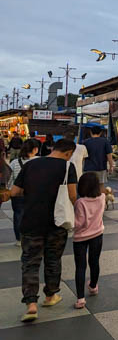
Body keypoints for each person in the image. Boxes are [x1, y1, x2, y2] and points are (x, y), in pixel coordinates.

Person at [10, 138, 77, 323]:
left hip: (31, 221)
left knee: (30, 262)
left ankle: (31, 304)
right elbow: (72, 195)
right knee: (53, 259)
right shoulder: (67, 167)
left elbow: (15, 192)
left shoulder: (31, 165)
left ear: (52, 148)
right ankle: (50, 296)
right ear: (69, 152)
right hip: (56, 222)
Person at [72, 172, 105, 309]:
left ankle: (80, 299)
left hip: (80, 238)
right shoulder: (102, 197)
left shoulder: (80, 202)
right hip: (97, 234)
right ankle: (93, 286)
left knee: (80, 266)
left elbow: (79, 223)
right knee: (94, 261)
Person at [7, 139, 41, 245]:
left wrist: (9, 191)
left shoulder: (14, 162)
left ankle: (19, 239)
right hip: (34, 194)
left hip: (18, 194)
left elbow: (10, 180)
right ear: (35, 149)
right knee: (34, 215)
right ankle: (32, 237)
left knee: (18, 216)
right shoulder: (40, 161)